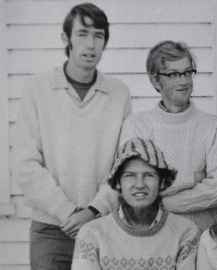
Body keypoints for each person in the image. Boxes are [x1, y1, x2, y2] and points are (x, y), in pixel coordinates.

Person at [12, 3, 131, 269]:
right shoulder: (37, 89)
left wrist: (93, 211)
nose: (90, 44)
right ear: (66, 38)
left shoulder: (118, 94)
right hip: (51, 228)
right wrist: (68, 212)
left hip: (102, 224)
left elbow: (124, 164)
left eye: (98, 36)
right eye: (82, 34)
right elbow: (25, 164)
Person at [120, 40, 217, 231]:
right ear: (155, 80)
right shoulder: (137, 126)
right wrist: (192, 184)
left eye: (188, 72)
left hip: (202, 236)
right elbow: (134, 187)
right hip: (152, 234)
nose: (184, 81)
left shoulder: (213, 127)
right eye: (173, 74)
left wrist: (160, 202)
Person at [72, 138, 199, 270]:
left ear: (161, 182)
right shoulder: (92, 234)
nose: (139, 184)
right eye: (130, 175)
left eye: (149, 175)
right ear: (118, 183)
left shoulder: (185, 231)